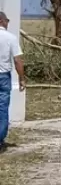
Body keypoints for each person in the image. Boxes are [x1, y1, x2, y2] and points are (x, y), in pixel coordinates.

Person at [0, 11, 25, 153]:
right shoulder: (11, 38)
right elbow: (17, 61)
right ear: (2, 21)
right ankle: (0, 140)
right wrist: (21, 78)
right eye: (7, 20)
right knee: (3, 109)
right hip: (3, 76)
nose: (8, 23)